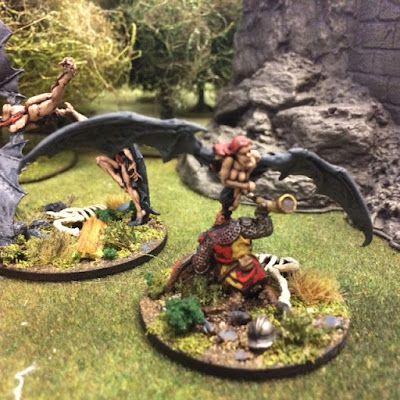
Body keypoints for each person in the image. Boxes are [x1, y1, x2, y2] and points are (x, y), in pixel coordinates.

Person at [0, 57, 77, 133]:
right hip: (32, 112)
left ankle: (67, 72)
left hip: (32, 111)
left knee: (55, 92)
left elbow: (31, 103)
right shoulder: (48, 108)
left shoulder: (47, 107)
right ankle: (67, 72)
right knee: (56, 92)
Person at [213, 136, 261, 212]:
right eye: (243, 154)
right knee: (227, 205)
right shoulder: (230, 161)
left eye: (249, 151)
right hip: (230, 191)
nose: (248, 155)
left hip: (242, 189)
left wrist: (247, 185)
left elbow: (249, 174)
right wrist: (245, 186)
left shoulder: (253, 158)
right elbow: (224, 182)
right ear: (236, 154)